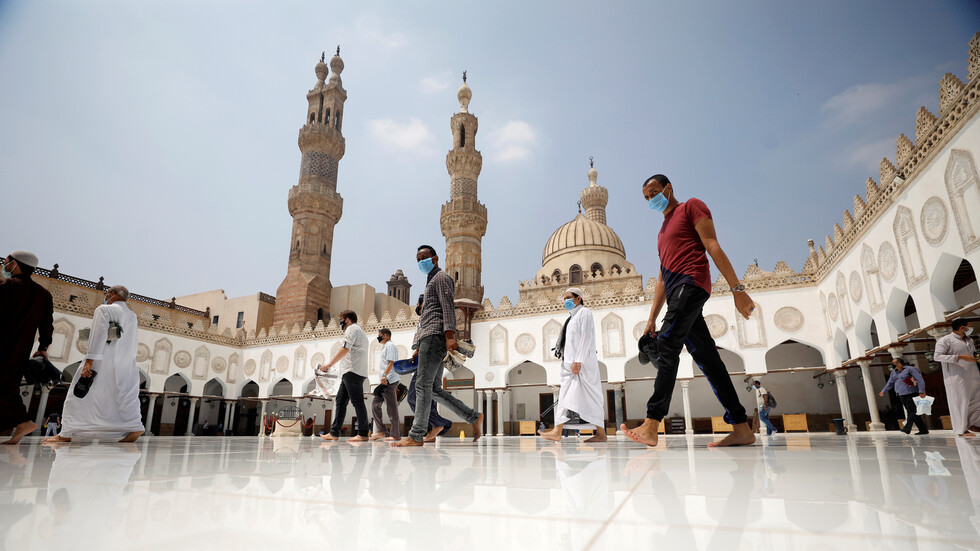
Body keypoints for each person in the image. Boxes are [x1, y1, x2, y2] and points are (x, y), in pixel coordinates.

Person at [622, 174, 755, 447]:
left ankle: (652, 422)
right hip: (676, 295)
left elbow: (712, 245)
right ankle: (742, 427)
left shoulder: (691, 207)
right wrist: (651, 319)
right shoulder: (661, 232)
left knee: (667, 345)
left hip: (691, 282)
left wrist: (737, 290)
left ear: (668, 189)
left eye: (654, 193)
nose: (651, 200)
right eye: (646, 198)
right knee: (708, 360)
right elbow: (661, 279)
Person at [393, 245, 483, 447]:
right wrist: (417, 346)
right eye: (418, 259)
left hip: (435, 337)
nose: (421, 262)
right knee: (432, 388)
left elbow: (447, 308)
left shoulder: (441, 278)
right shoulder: (430, 282)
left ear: (435, 258)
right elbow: (427, 317)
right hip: (428, 339)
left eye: (424, 258)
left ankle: (416, 435)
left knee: (422, 386)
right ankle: (473, 417)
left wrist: (450, 335)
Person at [47, 285, 144, 443]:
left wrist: (89, 361)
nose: (106, 296)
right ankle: (135, 426)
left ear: (112, 294)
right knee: (125, 396)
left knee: (77, 395)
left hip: (103, 360)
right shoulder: (132, 315)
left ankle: (66, 433)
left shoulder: (104, 309)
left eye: (107, 293)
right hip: (126, 363)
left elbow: (99, 335)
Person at [539, 288, 606, 443]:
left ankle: (601, 433)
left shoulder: (585, 313)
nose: (566, 301)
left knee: (593, 397)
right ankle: (557, 431)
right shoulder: (570, 319)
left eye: (568, 298)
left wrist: (579, 361)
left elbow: (586, 338)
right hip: (569, 366)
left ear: (578, 298)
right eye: (564, 298)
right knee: (563, 397)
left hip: (583, 365)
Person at [0, 251, 53, 444]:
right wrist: (43, 346)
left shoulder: (6, 286)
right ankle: (19, 424)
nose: (4, 266)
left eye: (5, 262)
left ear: (14, 264)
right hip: (21, 350)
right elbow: (47, 325)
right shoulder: (44, 295)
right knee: (8, 386)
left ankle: (23, 421)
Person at [321, 310, 370, 442]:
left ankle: (364, 433)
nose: (340, 323)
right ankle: (334, 432)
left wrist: (329, 364)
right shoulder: (361, 333)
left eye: (341, 320)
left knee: (357, 402)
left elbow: (345, 348)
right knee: (340, 401)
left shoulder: (352, 329)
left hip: (352, 371)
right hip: (351, 372)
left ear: (347, 320)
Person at [933, 319, 980, 437]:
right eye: (969, 326)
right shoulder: (945, 340)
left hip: (973, 373)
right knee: (961, 401)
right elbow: (937, 356)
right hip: (956, 376)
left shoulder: (969, 340)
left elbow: (972, 354)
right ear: (962, 328)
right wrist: (959, 357)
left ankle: (975, 423)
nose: (970, 328)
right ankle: (962, 430)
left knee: (976, 400)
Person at [878, 357, 929, 435]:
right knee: (913, 412)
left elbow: (919, 379)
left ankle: (907, 428)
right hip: (901, 394)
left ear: (899, 363)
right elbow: (890, 383)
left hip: (911, 393)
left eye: (894, 363)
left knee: (911, 411)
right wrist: (883, 391)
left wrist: (921, 391)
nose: (892, 365)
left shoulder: (910, 369)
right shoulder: (893, 372)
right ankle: (923, 430)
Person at [370, 328, 401, 441]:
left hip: (389, 380)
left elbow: (391, 362)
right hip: (384, 381)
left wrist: (384, 376)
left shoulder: (390, 346)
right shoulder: (385, 346)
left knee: (391, 408)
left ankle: (395, 434)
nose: (379, 338)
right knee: (375, 405)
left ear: (386, 335)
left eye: (380, 335)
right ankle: (381, 431)